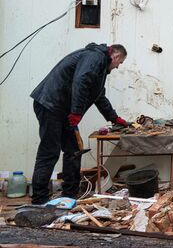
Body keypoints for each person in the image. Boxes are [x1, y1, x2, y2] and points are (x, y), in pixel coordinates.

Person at [29, 43, 129, 205]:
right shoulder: (95, 57)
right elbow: (81, 80)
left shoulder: (100, 65)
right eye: (120, 63)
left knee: (74, 150)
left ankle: (70, 193)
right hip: (51, 104)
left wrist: (114, 118)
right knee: (50, 151)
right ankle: (39, 198)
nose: (118, 67)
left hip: (63, 109)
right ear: (116, 56)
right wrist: (76, 112)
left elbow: (98, 96)